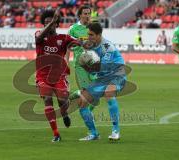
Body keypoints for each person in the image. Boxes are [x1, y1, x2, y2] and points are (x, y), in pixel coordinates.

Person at [35, 8, 79, 142]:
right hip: (42, 76)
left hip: (59, 75)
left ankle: (65, 113)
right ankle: (56, 134)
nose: (49, 24)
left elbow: (77, 42)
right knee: (48, 100)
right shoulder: (39, 35)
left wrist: (87, 43)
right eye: (46, 22)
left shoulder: (63, 38)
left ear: (57, 24)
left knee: (62, 103)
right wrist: (50, 22)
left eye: (52, 22)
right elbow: (39, 37)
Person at [78, 22, 126, 141]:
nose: (89, 37)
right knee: (82, 102)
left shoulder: (107, 46)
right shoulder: (90, 45)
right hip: (102, 78)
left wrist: (86, 65)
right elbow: (94, 70)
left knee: (108, 93)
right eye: (88, 34)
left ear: (99, 35)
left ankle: (116, 131)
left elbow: (102, 67)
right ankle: (94, 133)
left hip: (117, 74)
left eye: (91, 35)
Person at [68, 5, 100, 141]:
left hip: (93, 64)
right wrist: (65, 62)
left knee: (97, 95)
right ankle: (93, 133)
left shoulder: (95, 27)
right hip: (80, 65)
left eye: (89, 13)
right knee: (87, 96)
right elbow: (68, 46)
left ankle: (72, 95)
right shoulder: (73, 29)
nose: (87, 15)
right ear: (80, 15)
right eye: (85, 13)